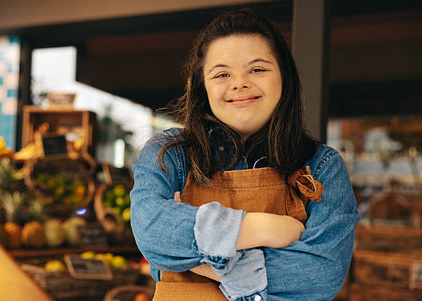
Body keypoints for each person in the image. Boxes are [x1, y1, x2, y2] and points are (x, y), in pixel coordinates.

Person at [130, 7, 359, 301]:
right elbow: (152, 232)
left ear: (284, 77)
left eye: (258, 69)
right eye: (222, 73)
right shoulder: (170, 155)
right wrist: (265, 228)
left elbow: (321, 273)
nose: (239, 83)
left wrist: (205, 265)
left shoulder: (322, 165)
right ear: (203, 87)